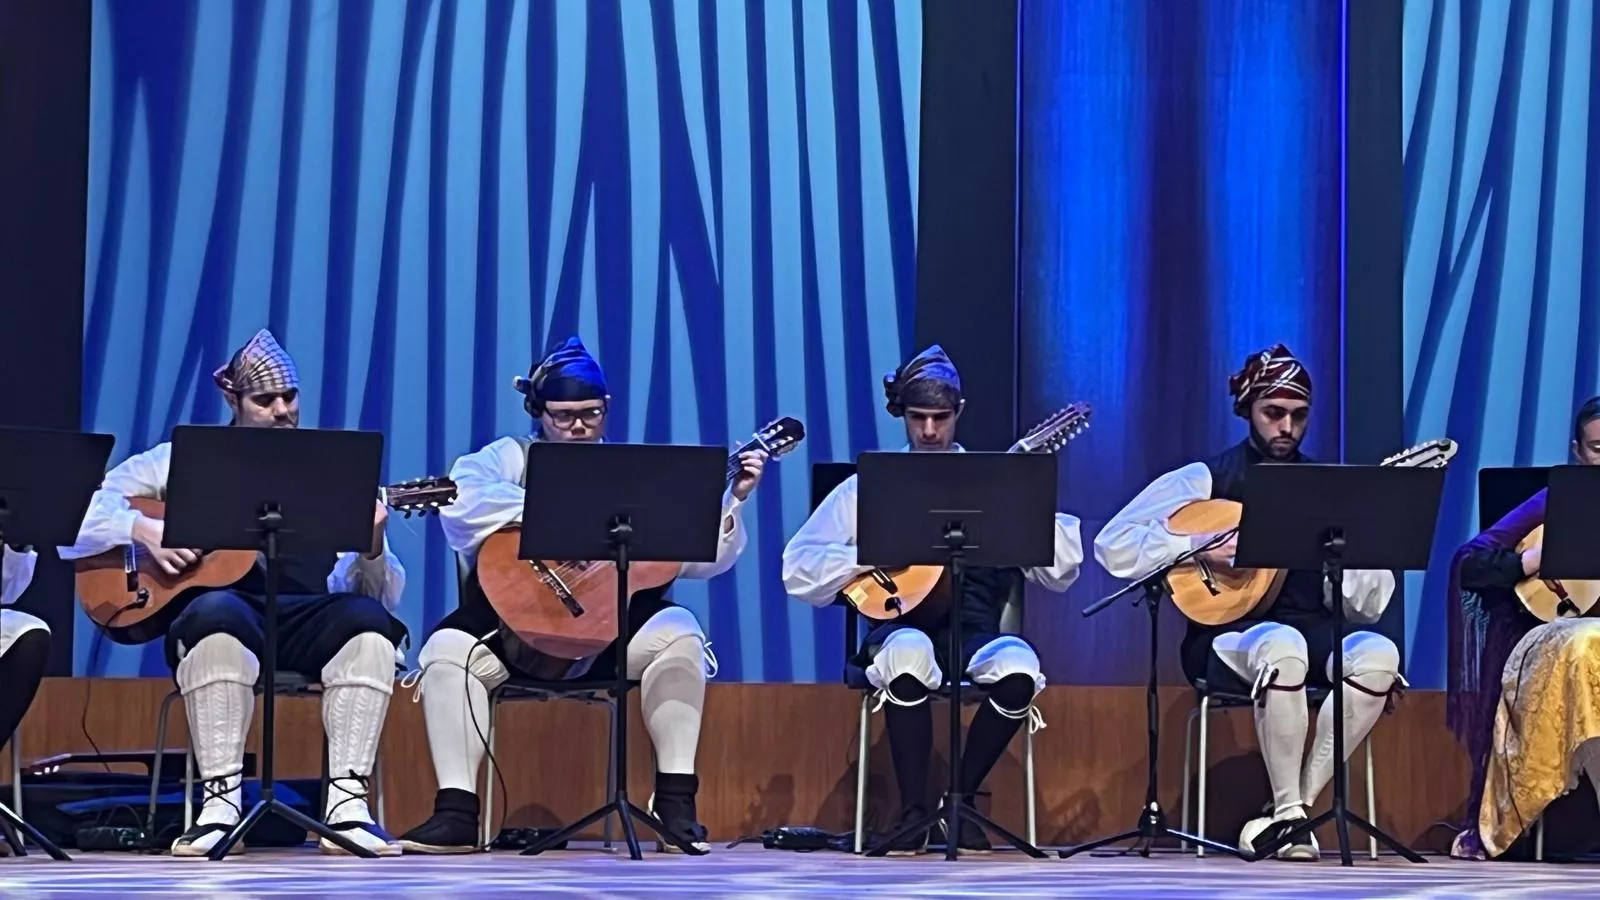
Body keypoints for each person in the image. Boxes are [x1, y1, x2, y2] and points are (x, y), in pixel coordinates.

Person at [399, 336, 767, 854]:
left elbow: (704, 562)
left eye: (591, 414)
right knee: (445, 650)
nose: (577, 426)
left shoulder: (635, 476)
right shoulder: (511, 457)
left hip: (613, 637)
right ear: (539, 412)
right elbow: (463, 503)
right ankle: (456, 813)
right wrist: (565, 509)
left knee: (682, 633)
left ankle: (675, 806)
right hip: (514, 634)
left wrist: (734, 499)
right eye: (563, 416)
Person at [59, 330, 407, 857]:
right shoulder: (178, 461)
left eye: (289, 397)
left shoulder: (331, 471)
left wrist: (373, 544)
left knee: (369, 622)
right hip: (227, 616)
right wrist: (142, 530)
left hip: (304, 621)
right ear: (233, 401)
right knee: (216, 613)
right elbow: (71, 512)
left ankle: (347, 807)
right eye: (265, 400)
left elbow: (373, 594)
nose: (282, 410)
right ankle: (220, 807)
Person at [1094, 344, 1401, 861]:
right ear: (1247, 410)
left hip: (1309, 629)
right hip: (1222, 638)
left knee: (1379, 656)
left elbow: (1366, 607)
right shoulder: (1207, 478)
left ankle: (1292, 813)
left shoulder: (1324, 490)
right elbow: (1113, 542)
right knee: (1282, 647)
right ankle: (1290, 814)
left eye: (1299, 416)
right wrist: (1198, 545)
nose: (1287, 427)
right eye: (1274, 413)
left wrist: (1347, 552)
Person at [781, 345, 1083, 855]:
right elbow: (798, 567)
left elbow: (1061, 573)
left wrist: (1020, 498)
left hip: (975, 633)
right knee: (909, 653)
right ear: (902, 415)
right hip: (899, 629)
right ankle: (913, 814)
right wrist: (874, 553)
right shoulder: (868, 487)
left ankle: (956, 803)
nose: (928, 431)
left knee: (1020, 669)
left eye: (939, 418)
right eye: (917, 417)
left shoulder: (994, 483)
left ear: (958, 413)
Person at [1447, 396, 1600, 859]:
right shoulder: (1558, 499)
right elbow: (1470, 563)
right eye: (1598, 449)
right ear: (1578, 451)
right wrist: (1529, 561)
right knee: (1587, 644)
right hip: (1564, 635)